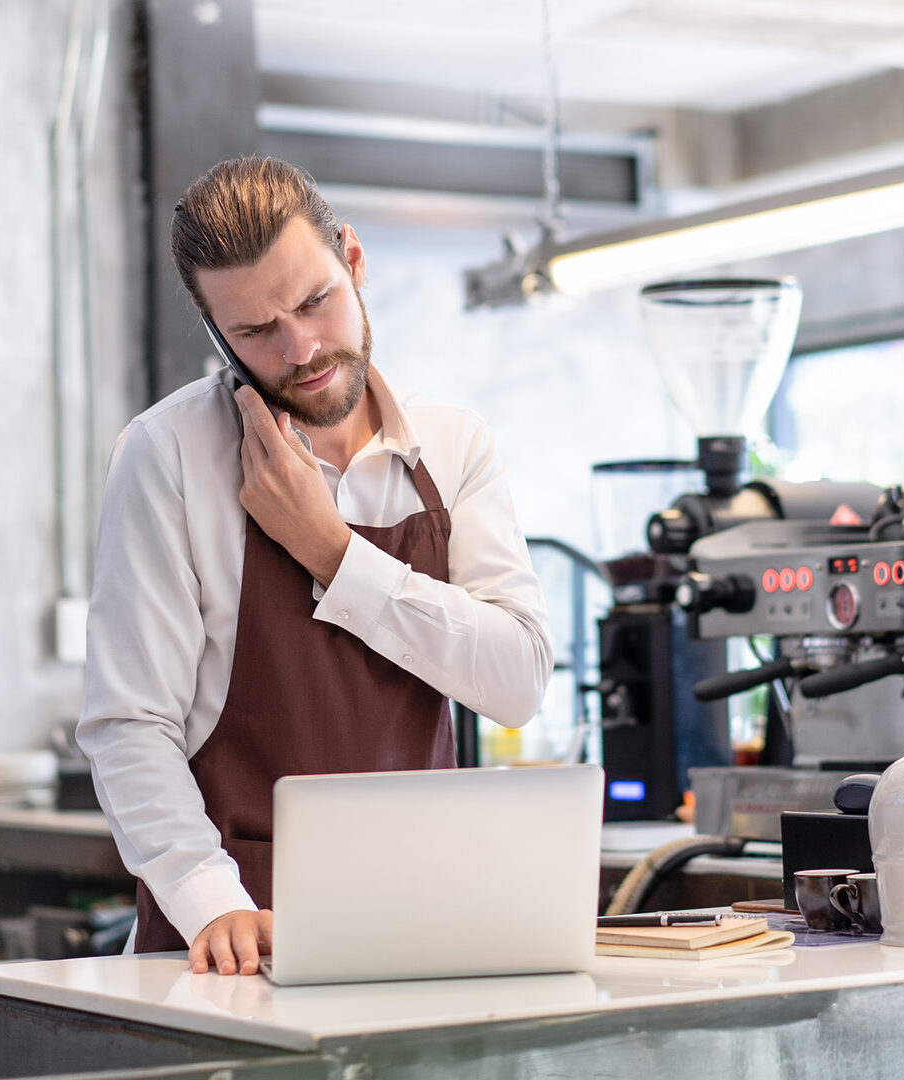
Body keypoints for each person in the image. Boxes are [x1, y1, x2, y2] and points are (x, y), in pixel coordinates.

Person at [77, 156, 552, 977]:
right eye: (258, 332)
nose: (301, 350)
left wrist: (332, 553)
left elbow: (517, 681)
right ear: (216, 332)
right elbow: (129, 725)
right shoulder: (167, 456)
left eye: (313, 302)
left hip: (423, 924)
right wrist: (206, 896)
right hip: (234, 940)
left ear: (354, 259)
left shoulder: (453, 444)